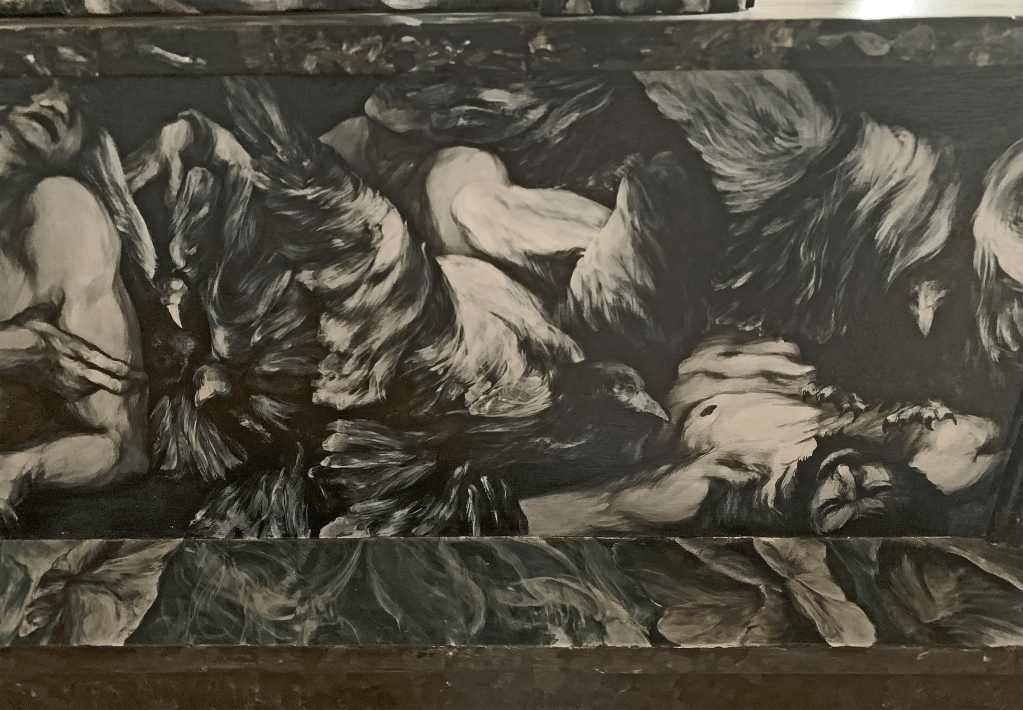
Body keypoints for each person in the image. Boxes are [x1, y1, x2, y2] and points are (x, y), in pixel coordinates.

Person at [0, 82, 149, 529]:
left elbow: (121, 445)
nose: (50, 101)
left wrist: (23, 466)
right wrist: (21, 351)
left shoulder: (64, 218)